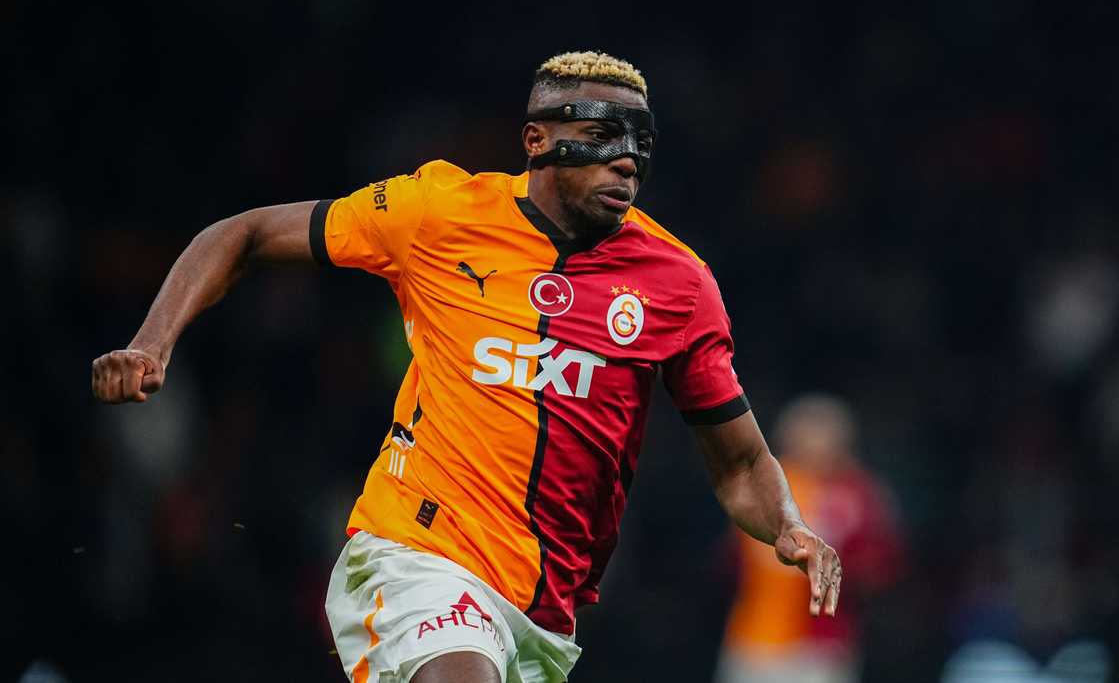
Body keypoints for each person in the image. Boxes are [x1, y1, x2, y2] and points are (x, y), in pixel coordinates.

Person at [91, 51, 841, 683]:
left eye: (640, 141)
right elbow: (244, 232)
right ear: (538, 139)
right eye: (603, 133)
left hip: (544, 611)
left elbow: (739, 462)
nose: (626, 158)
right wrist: (153, 342)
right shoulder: (437, 212)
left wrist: (788, 525)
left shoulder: (678, 283)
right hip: (415, 552)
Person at [715, 394, 903, 683]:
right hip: (753, 636)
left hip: (820, 643)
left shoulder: (856, 493)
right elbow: (732, 560)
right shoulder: (768, 485)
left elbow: (880, 567)